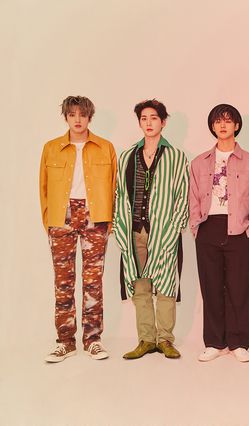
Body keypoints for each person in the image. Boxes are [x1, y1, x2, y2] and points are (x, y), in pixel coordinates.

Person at [40, 95, 116, 362]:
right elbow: (43, 189)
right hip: (61, 217)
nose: (77, 119)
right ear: (66, 117)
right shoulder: (51, 148)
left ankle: (93, 340)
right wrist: (50, 223)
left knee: (93, 282)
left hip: (96, 217)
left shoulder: (105, 147)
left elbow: (114, 186)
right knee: (63, 282)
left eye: (82, 114)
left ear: (89, 117)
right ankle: (65, 341)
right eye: (72, 114)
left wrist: (109, 222)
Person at [113, 99, 189, 360]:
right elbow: (119, 194)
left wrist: (174, 228)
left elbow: (182, 196)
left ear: (163, 122)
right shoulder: (127, 156)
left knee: (166, 285)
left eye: (153, 118)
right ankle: (146, 339)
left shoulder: (176, 157)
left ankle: (165, 339)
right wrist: (120, 226)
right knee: (140, 287)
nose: (148, 123)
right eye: (144, 118)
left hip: (164, 230)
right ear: (139, 123)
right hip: (134, 230)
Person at [189, 104, 249, 363]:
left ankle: (238, 342)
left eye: (228, 121)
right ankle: (214, 342)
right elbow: (193, 197)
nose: (223, 125)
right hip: (208, 227)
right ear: (212, 126)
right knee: (210, 287)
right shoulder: (199, 162)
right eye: (218, 121)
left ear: (236, 126)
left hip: (238, 229)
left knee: (238, 287)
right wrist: (196, 225)